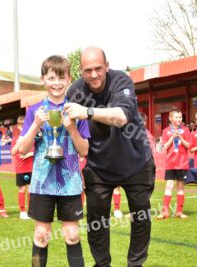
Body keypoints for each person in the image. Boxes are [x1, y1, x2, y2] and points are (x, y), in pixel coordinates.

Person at [64, 47, 156, 267]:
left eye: (98, 68)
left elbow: (121, 116)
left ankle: (136, 263)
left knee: (141, 216)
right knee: (96, 221)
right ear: (81, 70)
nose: (94, 74)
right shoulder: (75, 91)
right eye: (88, 70)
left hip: (136, 161)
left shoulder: (121, 81)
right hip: (98, 165)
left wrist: (87, 111)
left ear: (107, 65)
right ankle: (102, 264)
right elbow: (73, 131)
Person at [19, 55, 90, 267]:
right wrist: (35, 126)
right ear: (43, 80)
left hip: (70, 184)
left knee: (72, 235)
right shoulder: (34, 111)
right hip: (42, 183)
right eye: (51, 78)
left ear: (69, 79)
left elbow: (84, 150)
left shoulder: (76, 110)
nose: (56, 83)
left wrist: (71, 128)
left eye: (61, 78)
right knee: (41, 235)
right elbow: (22, 149)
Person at [157, 110, 191, 220]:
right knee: (169, 186)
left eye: (180, 117)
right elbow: (164, 147)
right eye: (176, 117)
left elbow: (188, 146)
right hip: (170, 163)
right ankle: (165, 212)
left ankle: (179, 212)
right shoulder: (166, 131)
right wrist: (172, 137)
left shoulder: (185, 130)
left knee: (180, 187)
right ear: (171, 119)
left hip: (182, 163)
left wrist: (180, 137)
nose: (179, 119)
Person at [11, 115, 33, 220]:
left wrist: (29, 154)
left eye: (26, 126)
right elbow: (13, 152)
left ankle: (31, 211)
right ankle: (22, 211)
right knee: (22, 190)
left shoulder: (32, 138)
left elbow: (36, 151)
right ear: (18, 126)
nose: (24, 128)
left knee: (30, 190)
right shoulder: (16, 139)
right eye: (22, 126)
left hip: (31, 168)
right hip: (21, 168)